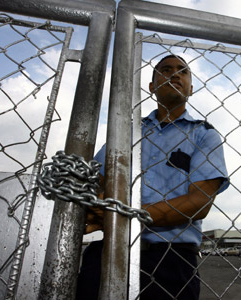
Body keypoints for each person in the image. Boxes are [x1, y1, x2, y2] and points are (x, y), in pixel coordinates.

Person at [76, 55, 229, 300]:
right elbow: (93, 180)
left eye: (183, 71)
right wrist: (100, 202)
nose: (175, 74)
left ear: (191, 87)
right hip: (112, 251)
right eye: (166, 70)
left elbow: (199, 202)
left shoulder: (204, 134)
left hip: (172, 260)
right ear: (152, 86)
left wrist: (117, 216)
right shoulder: (127, 131)